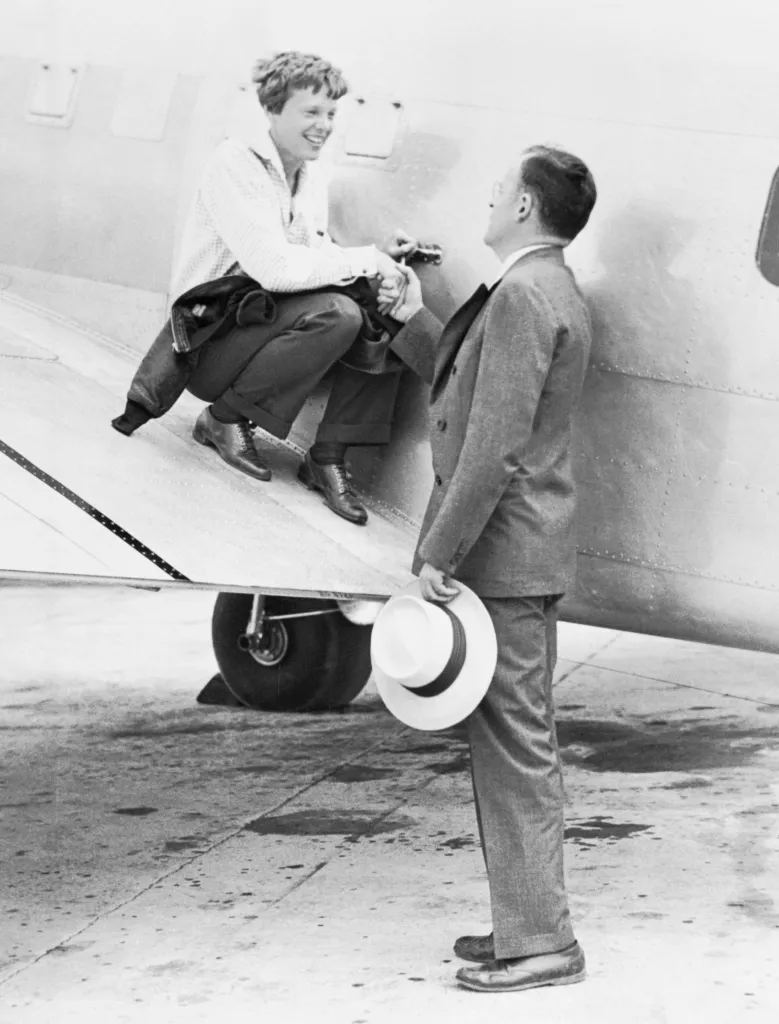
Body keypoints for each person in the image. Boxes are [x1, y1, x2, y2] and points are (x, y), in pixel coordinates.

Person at [381, 145, 597, 993]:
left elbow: (492, 444)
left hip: (503, 555)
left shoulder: (523, 295)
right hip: (520, 551)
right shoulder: (546, 286)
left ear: (524, 208)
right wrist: (408, 315)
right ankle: (523, 922)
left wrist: (437, 554)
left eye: (500, 189)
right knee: (508, 743)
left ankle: (542, 941)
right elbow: (471, 396)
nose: (489, 197)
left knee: (515, 747)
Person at [112, 51, 411, 526]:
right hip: (207, 342)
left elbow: (311, 253)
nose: (324, 125)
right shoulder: (235, 163)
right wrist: (361, 260)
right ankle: (224, 418)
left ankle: (327, 455)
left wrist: (378, 262)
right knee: (339, 313)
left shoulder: (311, 174)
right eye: (311, 112)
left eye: (331, 113)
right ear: (273, 109)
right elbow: (274, 269)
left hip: (259, 323)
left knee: (384, 309)